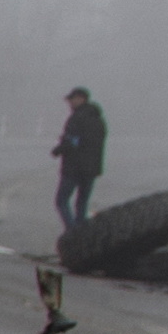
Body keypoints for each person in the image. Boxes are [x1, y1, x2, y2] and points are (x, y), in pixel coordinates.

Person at [52, 87, 108, 233]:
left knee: (61, 201)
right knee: (81, 203)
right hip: (92, 169)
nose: (70, 103)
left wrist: (58, 150)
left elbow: (72, 142)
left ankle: (73, 232)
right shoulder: (99, 120)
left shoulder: (76, 118)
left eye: (72, 99)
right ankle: (83, 235)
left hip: (74, 168)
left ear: (81, 99)